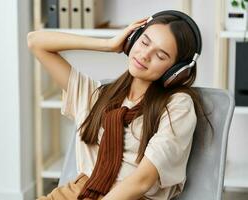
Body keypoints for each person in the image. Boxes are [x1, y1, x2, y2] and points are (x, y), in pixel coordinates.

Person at [27, 10, 212, 200]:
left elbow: (143, 180)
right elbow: (35, 41)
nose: (145, 55)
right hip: (78, 191)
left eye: (161, 55)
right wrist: (107, 44)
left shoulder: (177, 105)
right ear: (133, 39)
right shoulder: (97, 95)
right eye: (144, 42)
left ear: (176, 71)